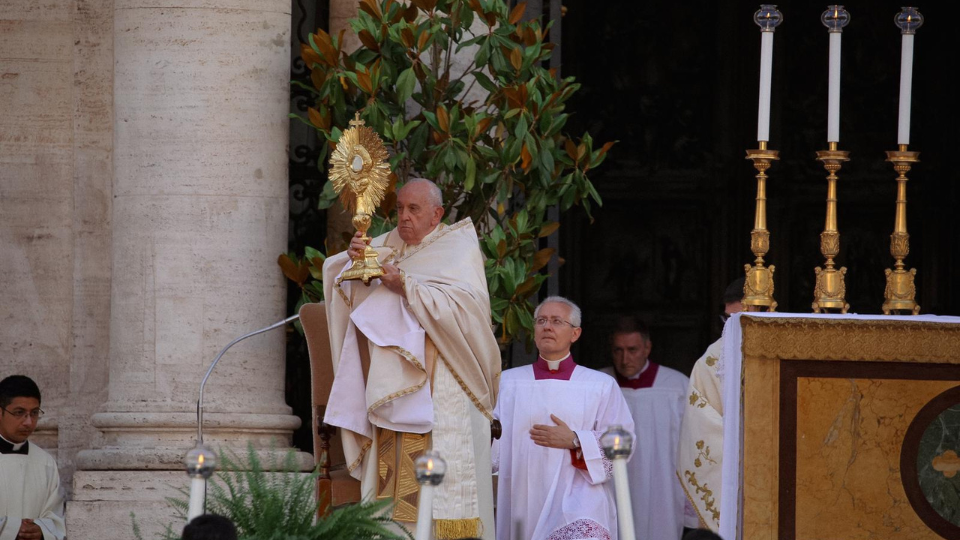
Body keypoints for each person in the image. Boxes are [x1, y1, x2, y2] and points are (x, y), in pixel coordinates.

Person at [321, 179, 500, 539]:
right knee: (395, 500)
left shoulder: (458, 247)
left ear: (437, 213)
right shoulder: (387, 245)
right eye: (400, 208)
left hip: (451, 380)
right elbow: (342, 281)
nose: (404, 217)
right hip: (397, 386)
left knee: (447, 483)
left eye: (414, 210)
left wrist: (407, 286)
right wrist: (355, 260)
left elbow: (470, 313)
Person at [493, 297, 635, 540]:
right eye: (542, 321)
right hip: (521, 497)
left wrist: (576, 439)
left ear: (575, 333)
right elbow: (488, 441)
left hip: (580, 499)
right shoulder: (507, 382)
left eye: (557, 321)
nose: (547, 326)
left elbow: (623, 442)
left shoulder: (599, 385)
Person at [599, 316, 688, 540]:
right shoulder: (597, 384)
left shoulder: (677, 386)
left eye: (632, 349)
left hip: (662, 487)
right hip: (610, 485)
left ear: (647, 348)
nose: (625, 358)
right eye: (618, 350)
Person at [676, 277, 746, 532]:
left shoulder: (791, 351)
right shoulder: (711, 362)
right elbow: (701, 428)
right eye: (726, 321)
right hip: (738, 479)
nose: (730, 329)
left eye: (738, 321)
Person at [0, 375, 65, 540]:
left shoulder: (45, 463)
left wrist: (41, 530)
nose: (28, 422)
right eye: (19, 413)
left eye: (34, 413)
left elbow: (56, 517)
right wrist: (12, 528)